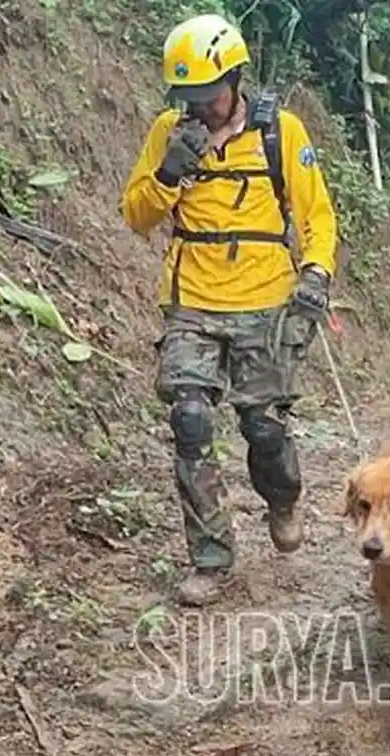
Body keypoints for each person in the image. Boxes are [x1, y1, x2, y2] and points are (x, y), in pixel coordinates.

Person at [120, 13, 339, 606]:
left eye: (209, 92)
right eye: (189, 95)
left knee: (263, 428)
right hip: (191, 299)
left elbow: (317, 215)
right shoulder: (169, 131)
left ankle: (283, 498)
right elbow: (136, 215)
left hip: (265, 301)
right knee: (190, 420)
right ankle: (211, 557)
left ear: (235, 78)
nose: (200, 105)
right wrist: (169, 172)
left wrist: (316, 272)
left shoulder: (280, 132)